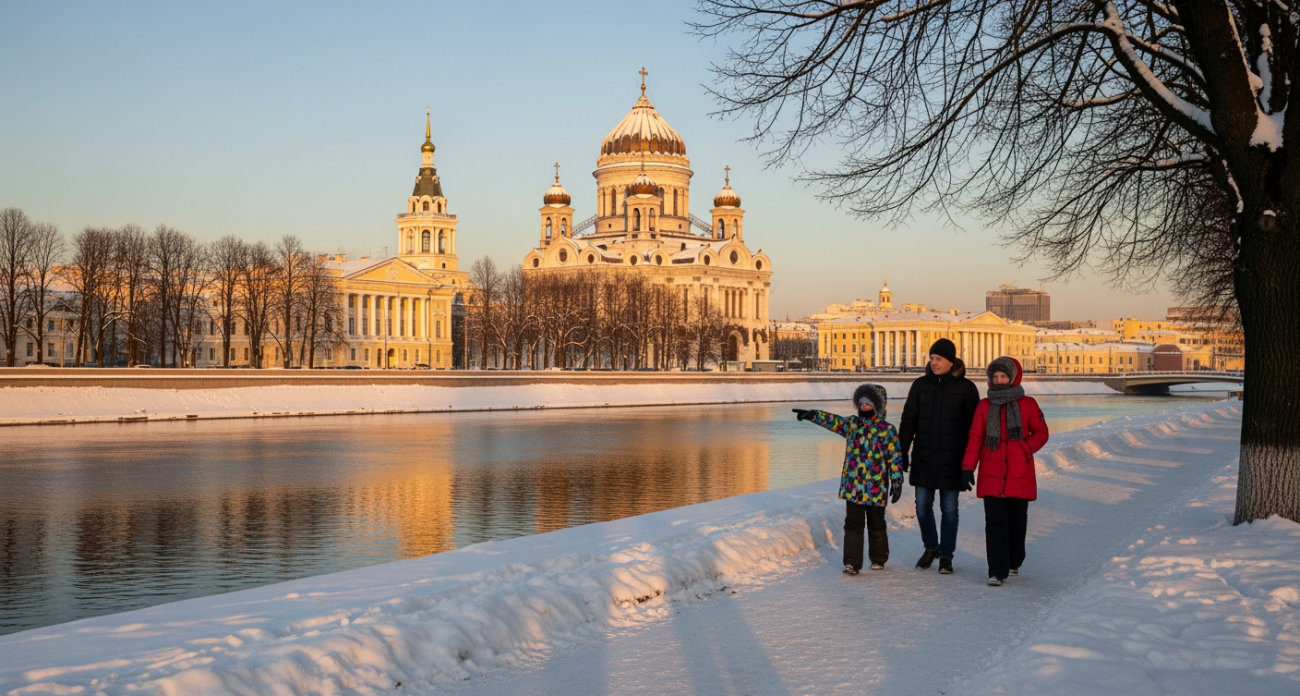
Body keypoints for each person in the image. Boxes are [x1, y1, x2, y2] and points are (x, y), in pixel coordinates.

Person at [793, 384, 904, 575]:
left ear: (878, 405)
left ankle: (878, 558)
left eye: (868, 402)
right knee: (853, 524)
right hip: (854, 486)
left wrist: (897, 480)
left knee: (876, 524)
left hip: (876, 487)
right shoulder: (852, 424)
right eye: (861, 402)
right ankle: (852, 562)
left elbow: (894, 457)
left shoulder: (887, 430)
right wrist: (812, 415)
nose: (864, 405)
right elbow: (832, 421)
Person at [961, 356, 1049, 586]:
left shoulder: (1028, 404)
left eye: (1003, 376)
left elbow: (1041, 432)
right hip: (991, 472)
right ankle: (996, 571)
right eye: (995, 377)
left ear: (1013, 377)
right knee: (995, 524)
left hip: (1020, 473)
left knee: (1017, 523)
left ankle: (1014, 561)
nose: (999, 381)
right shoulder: (984, 405)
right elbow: (976, 438)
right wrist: (968, 467)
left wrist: (1025, 448)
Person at [898, 338, 980, 574]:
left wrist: (968, 465)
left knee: (949, 509)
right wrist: (901, 453)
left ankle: (946, 555)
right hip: (924, 457)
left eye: (938, 359)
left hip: (953, 461)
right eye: (931, 358)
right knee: (922, 508)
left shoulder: (966, 389)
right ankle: (931, 547)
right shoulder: (920, 385)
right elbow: (908, 421)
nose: (933, 362)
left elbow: (974, 430)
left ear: (950, 361)